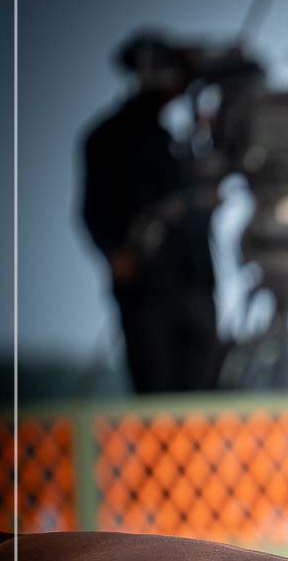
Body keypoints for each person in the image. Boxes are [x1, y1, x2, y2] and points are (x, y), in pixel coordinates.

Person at [81, 32, 219, 394]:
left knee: (203, 383)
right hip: (147, 285)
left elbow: (203, 199)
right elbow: (93, 210)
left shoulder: (180, 142)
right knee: (155, 383)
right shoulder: (109, 137)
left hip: (195, 281)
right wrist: (115, 253)